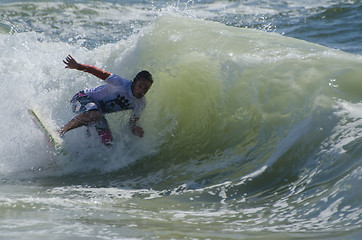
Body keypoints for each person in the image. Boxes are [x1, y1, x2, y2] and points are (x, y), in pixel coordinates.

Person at [58, 55, 153, 146]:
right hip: (80, 99)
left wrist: (135, 129)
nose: (142, 91)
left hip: (97, 114)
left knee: (108, 142)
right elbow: (96, 71)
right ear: (134, 83)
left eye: (146, 89)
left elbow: (132, 123)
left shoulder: (140, 104)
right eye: (140, 86)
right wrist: (78, 66)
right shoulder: (120, 83)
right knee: (95, 114)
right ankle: (60, 131)